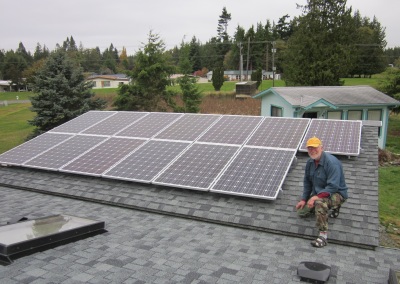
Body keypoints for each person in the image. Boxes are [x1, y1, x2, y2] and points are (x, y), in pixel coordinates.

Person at [295, 136, 348, 248]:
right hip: (319, 192)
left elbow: (333, 186)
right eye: (309, 148)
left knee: (319, 204)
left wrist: (315, 198)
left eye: (315, 148)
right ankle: (329, 207)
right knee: (301, 212)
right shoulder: (310, 163)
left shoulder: (332, 163)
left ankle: (323, 236)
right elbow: (307, 182)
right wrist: (304, 199)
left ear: (321, 147)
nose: (312, 150)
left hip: (337, 193)